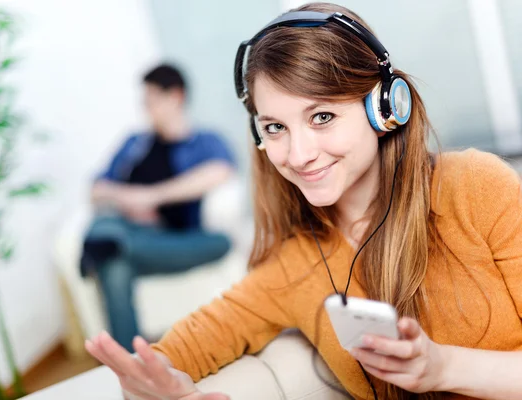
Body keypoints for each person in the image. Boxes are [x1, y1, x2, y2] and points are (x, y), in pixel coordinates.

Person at [84, 3, 522, 400]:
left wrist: (443, 368)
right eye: (275, 127)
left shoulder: (476, 188)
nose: (297, 155)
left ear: (385, 107)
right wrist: (159, 384)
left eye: (322, 116)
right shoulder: (294, 264)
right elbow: (181, 350)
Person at [81, 63, 236, 351]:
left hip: (180, 242)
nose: (146, 109)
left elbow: (220, 171)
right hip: (135, 231)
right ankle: (133, 362)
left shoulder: (205, 141)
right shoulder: (133, 144)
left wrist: (152, 196)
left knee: (223, 242)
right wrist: (129, 199)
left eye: (151, 101)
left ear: (176, 96)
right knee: (113, 258)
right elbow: (97, 189)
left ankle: (105, 245)